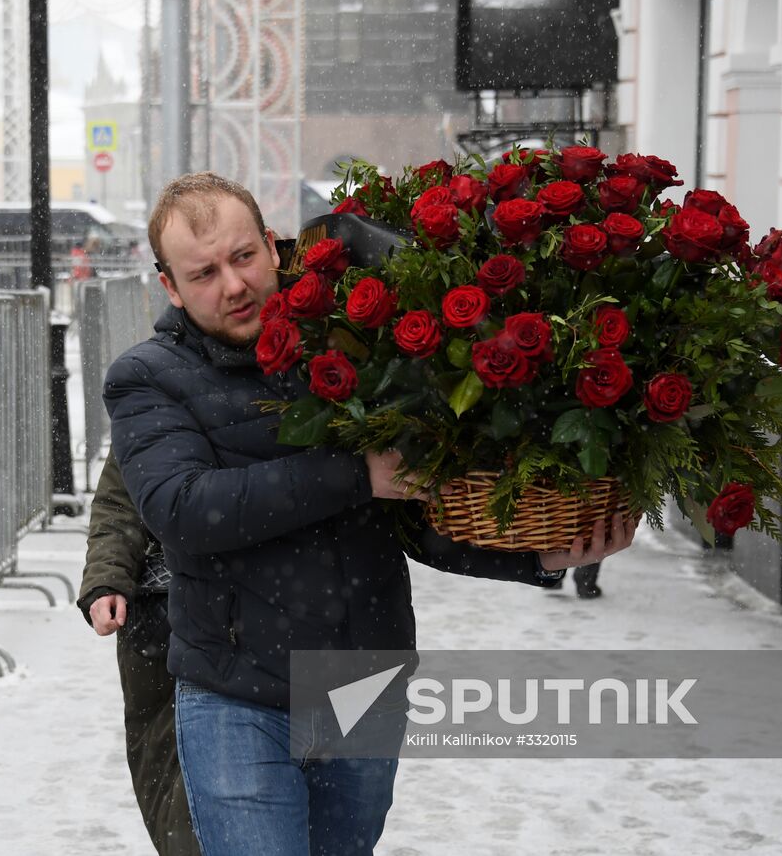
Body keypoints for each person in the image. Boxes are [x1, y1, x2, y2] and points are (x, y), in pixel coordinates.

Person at [103, 172, 635, 855]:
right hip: (235, 696)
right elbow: (184, 511)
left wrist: (536, 558)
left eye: (242, 257)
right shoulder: (146, 376)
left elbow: (410, 511)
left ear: (273, 246)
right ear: (170, 287)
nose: (232, 285)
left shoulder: (350, 346)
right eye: (203, 272)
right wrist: (354, 474)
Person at [78, 451, 201, 856]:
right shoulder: (158, 393)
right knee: (182, 806)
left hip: (356, 617)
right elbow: (121, 497)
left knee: (351, 804)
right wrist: (107, 576)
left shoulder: (384, 398)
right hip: (174, 615)